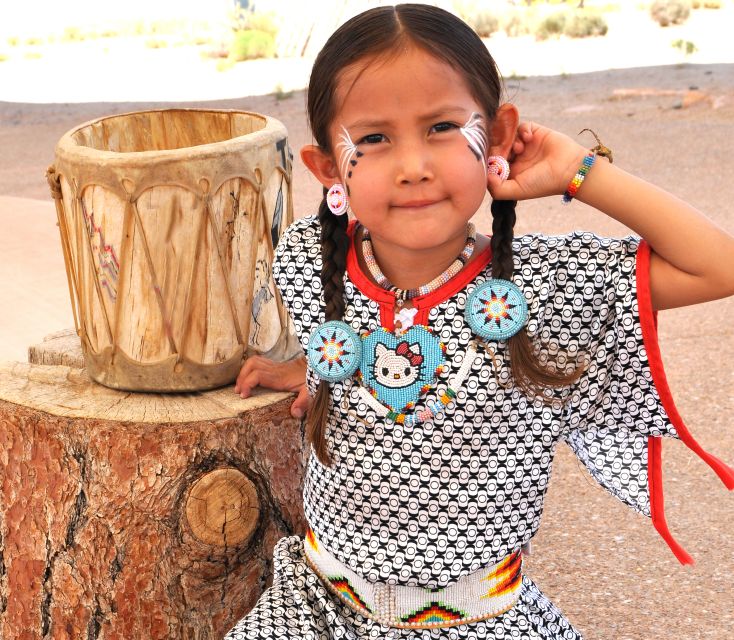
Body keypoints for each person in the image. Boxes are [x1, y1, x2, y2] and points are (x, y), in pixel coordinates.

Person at [224, 4, 734, 639]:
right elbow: (348, 334)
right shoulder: (308, 260)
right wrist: (314, 363)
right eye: (374, 139)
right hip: (317, 612)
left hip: (482, 622)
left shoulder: (546, 288)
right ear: (329, 167)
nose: (414, 164)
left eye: (442, 126)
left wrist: (578, 172)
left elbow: (719, 266)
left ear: (494, 137)